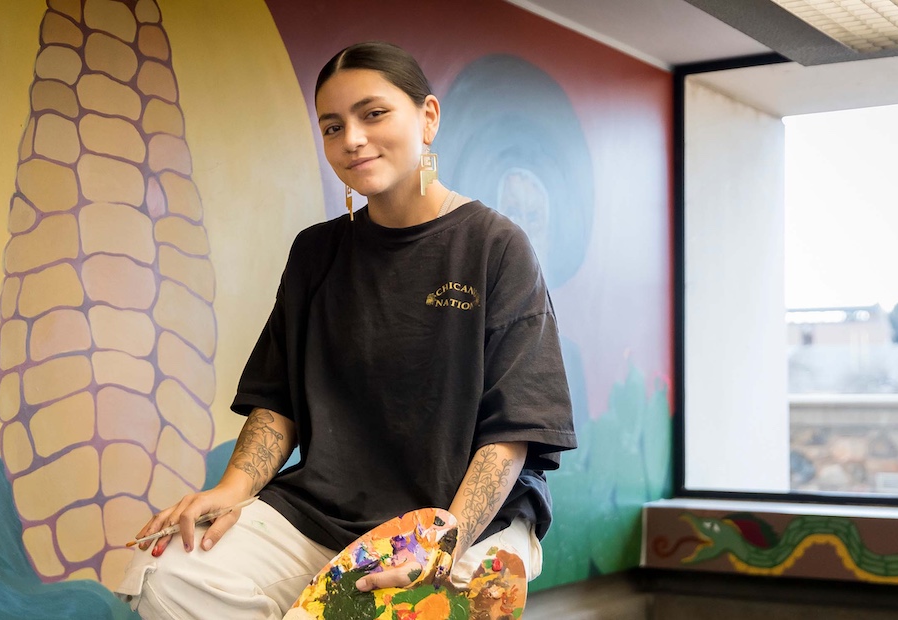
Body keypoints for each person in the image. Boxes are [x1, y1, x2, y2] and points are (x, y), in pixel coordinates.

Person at [115, 41, 577, 619]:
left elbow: (512, 434)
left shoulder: (496, 247)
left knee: (378, 609)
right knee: (169, 575)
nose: (351, 139)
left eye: (373, 113)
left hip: (471, 521)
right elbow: (277, 401)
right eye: (332, 126)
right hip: (325, 508)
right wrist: (232, 490)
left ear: (427, 117)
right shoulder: (316, 252)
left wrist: (441, 538)